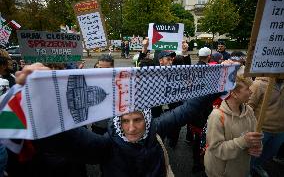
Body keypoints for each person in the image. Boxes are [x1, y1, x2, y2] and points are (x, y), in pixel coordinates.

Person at [15, 63, 223, 177]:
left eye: (137, 120)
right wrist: (42, 99)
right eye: (124, 121)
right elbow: (65, 138)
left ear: (148, 119)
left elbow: (188, 109)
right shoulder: (105, 145)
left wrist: (221, 77)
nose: (131, 128)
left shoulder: (155, 129)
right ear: (116, 122)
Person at [204, 75, 263, 177]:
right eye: (247, 89)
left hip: (241, 170)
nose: (251, 92)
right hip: (221, 173)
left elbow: (255, 134)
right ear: (234, 93)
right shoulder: (217, 116)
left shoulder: (248, 110)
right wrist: (244, 141)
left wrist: (257, 146)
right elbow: (216, 149)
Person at [249, 77, 284, 177]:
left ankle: (256, 165)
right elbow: (249, 106)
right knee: (251, 156)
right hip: (261, 130)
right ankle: (246, 171)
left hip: (280, 131)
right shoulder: (259, 84)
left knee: (269, 154)